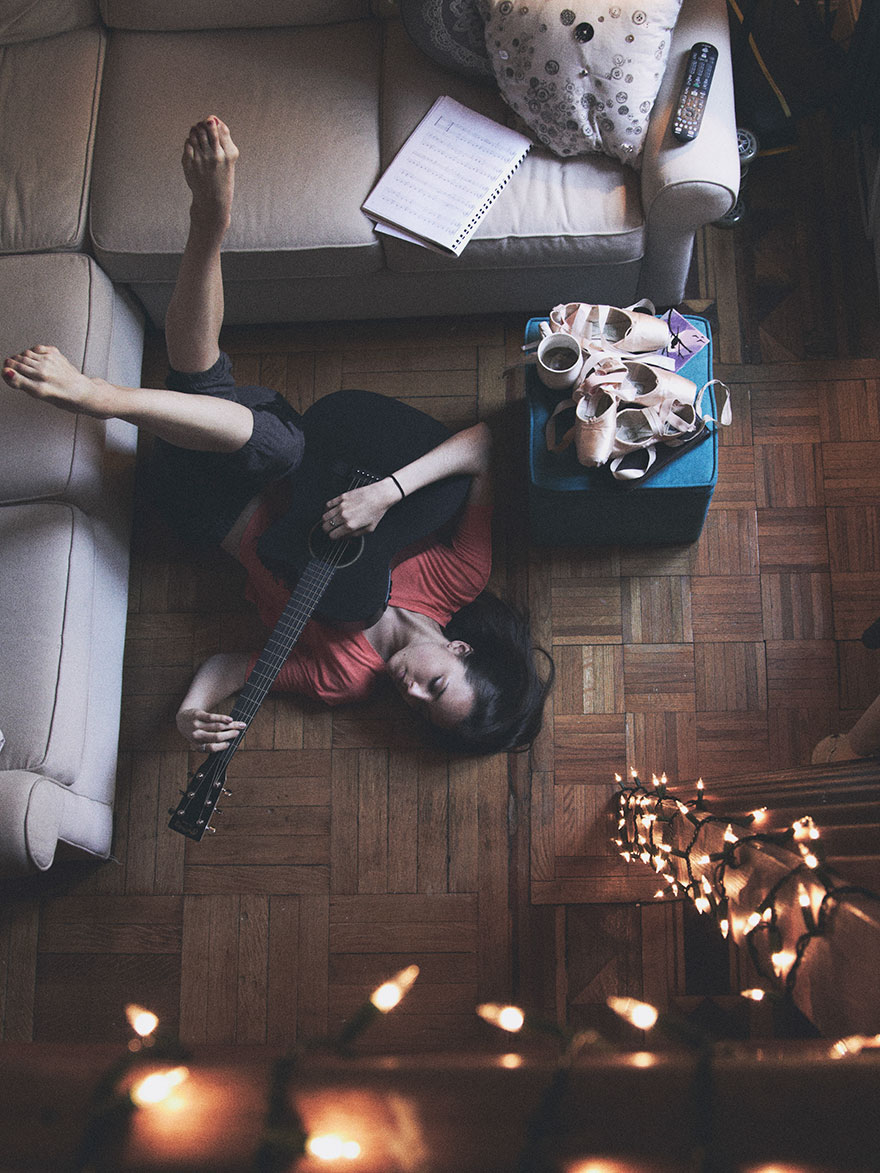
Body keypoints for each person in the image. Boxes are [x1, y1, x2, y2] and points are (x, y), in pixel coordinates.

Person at [3, 117, 553, 757]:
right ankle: (150, 327)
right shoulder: (457, 577)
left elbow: (231, 668)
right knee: (262, 432)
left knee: (233, 409)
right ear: (459, 648)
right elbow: (484, 445)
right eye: (437, 684)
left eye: (422, 710)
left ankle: (182, 274)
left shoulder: (345, 680)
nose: (413, 693)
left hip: (205, 506)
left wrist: (190, 712)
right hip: (268, 442)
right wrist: (387, 494)